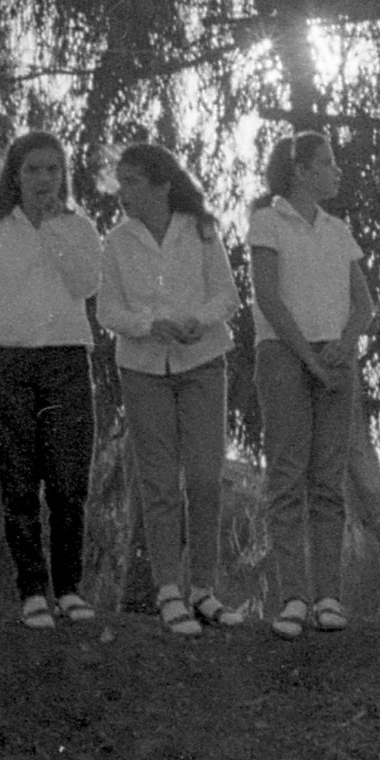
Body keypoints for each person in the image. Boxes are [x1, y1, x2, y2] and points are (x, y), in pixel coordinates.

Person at [95, 143, 238, 634]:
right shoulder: (116, 241)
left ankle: (204, 589)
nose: (124, 192)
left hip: (202, 362)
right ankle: (168, 591)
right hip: (142, 369)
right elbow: (107, 311)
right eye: (121, 182)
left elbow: (227, 294)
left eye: (133, 181)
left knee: (204, 477)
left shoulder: (200, 231)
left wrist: (197, 320)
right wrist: (148, 323)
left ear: (162, 184)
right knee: (158, 484)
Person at [0, 137, 112, 627]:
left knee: (69, 482)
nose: (44, 178)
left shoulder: (79, 228)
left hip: (65, 360)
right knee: (19, 481)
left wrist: (53, 229)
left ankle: (69, 588)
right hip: (9, 362)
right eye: (33, 169)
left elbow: (86, 285)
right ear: (16, 175)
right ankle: (31, 589)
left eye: (54, 169)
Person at [247, 131, 368, 639]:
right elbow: (269, 298)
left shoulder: (339, 230)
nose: (337, 171)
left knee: (328, 478)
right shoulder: (267, 221)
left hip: (336, 357)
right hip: (284, 356)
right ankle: (293, 595)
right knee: (288, 473)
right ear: (299, 170)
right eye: (328, 163)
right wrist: (309, 359)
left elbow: (363, 303)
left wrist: (343, 344)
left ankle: (328, 597)